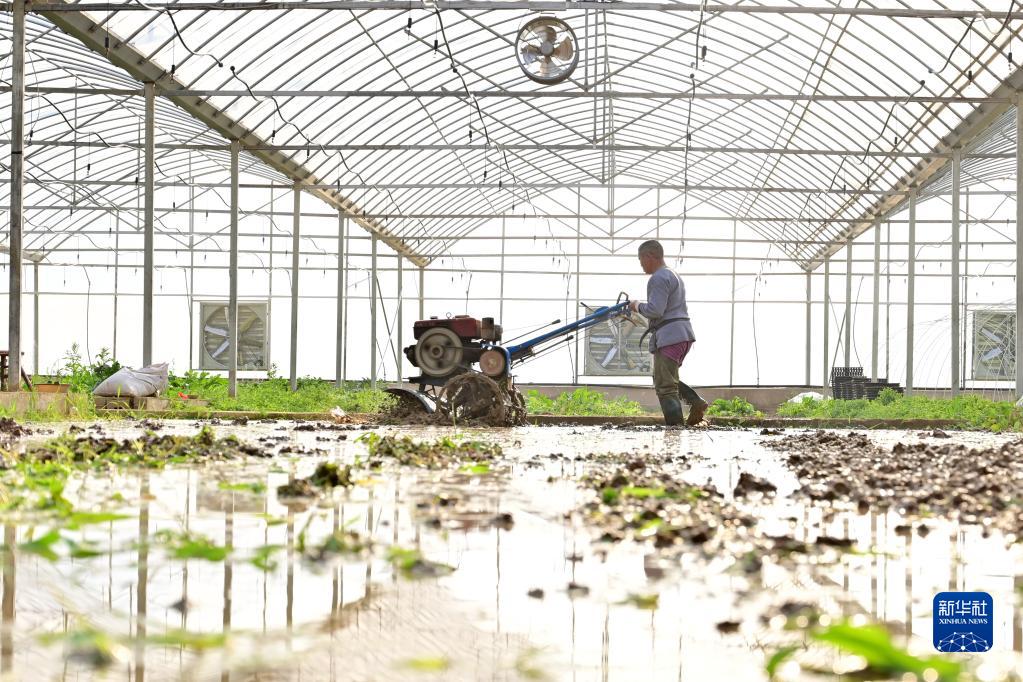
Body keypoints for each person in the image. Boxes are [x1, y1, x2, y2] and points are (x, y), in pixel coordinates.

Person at [628, 240, 708, 426]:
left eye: (641, 260)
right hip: (681, 334)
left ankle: (675, 428)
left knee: (665, 386)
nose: (641, 265)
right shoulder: (673, 275)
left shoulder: (658, 277)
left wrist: (636, 305)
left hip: (670, 336)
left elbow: (655, 310)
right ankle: (695, 401)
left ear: (649, 256)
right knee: (664, 378)